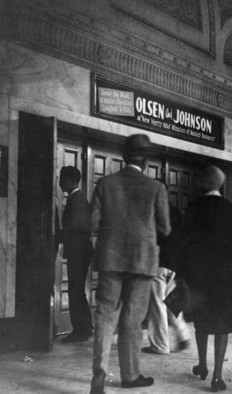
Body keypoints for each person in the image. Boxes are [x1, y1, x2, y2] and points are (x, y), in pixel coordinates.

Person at [89, 134, 171, 393]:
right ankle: (130, 375)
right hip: (142, 260)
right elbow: (166, 228)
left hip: (110, 258)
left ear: (124, 156)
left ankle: (99, 376)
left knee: (104, 316)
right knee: (132, 321)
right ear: (146, 160)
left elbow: (92, 224)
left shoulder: (105, 183)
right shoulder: (156, 187)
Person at [177, 165, 232, 392]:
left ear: (205, 182)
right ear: (221, 185)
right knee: (222, 325)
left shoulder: (194, 207)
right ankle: (217, 377)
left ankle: (202, 366)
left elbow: (184, 244)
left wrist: (183, 275)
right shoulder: (231, 208)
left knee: (202, 322)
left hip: (199, 277)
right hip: (225, 277)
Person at [143, 202, 190, 355]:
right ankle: (184, 334)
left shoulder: (152, 211)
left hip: (158, 263)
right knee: (169, 302)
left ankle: (160, 345)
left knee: (157, 305)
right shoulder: (175, 210)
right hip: (174, 264)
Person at [57, 166, 94, 343]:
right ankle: (86, 327)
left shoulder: (76, 200)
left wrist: (58, 235)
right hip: (81, 250)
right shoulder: (77, 198)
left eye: (62, 178)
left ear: (72, 180)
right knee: (77, 290)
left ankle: (80, 331)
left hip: (79, 251)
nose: (59, 182)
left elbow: (76, 229)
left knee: (75, 290)